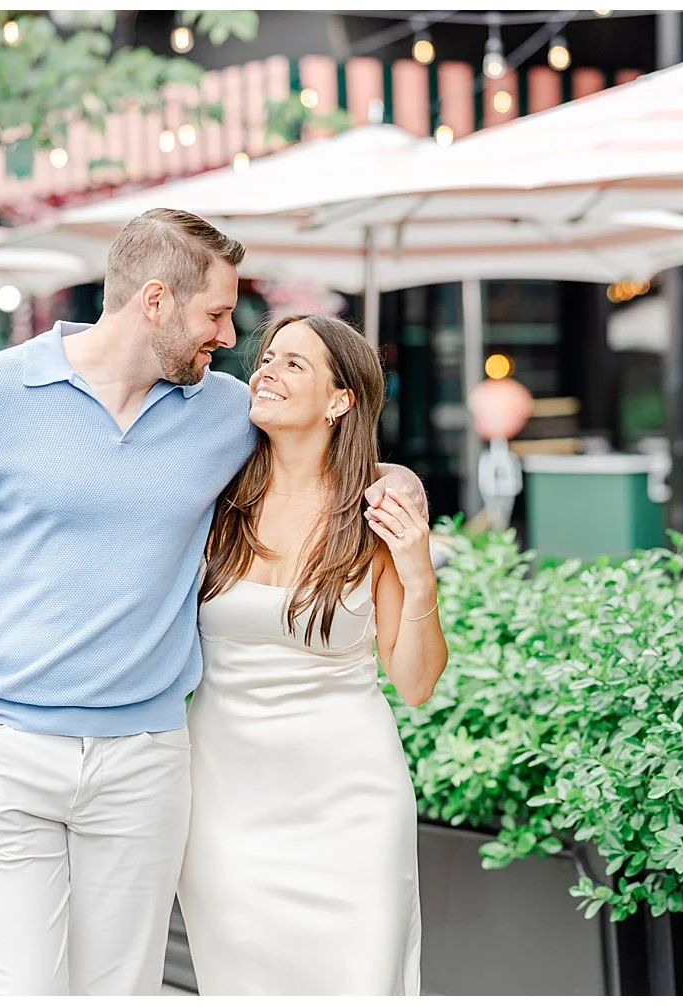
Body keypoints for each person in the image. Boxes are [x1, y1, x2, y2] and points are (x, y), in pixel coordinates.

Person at [0, 209, 427, 996]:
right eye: (215, 313)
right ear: (154, 301)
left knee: (123, 992)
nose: (227, 335)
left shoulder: (222, 410)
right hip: (7, 748)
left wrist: (397, 480)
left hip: (146, 758)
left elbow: (323, 449)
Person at [177, 314, 447, 995]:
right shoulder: (212, 496)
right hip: (224, 808)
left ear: (340, 399)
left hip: (351, 806)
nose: (266, 370)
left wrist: (417, 571)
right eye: (266, 358)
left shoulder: (376, 518)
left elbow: (414, 682)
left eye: (295, 363)